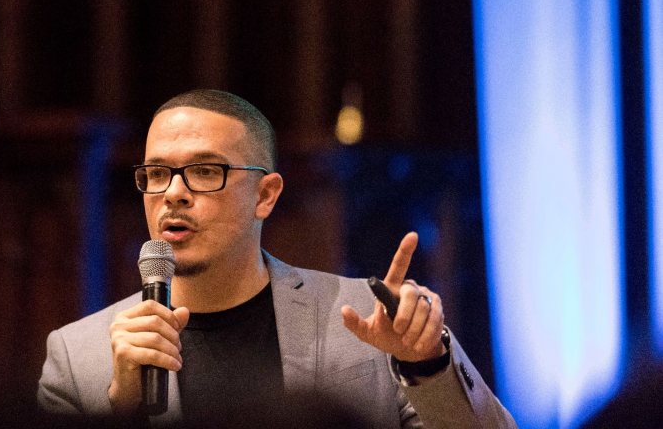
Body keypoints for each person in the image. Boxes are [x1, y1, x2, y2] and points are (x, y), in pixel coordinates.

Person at [38, 89, 516, 428]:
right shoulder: (79, 359)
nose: (174, 194)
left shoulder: (368, 322)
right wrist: (120, 412)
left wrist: (426, 365)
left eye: (205, 171)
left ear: (265, 195)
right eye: (157, 173)